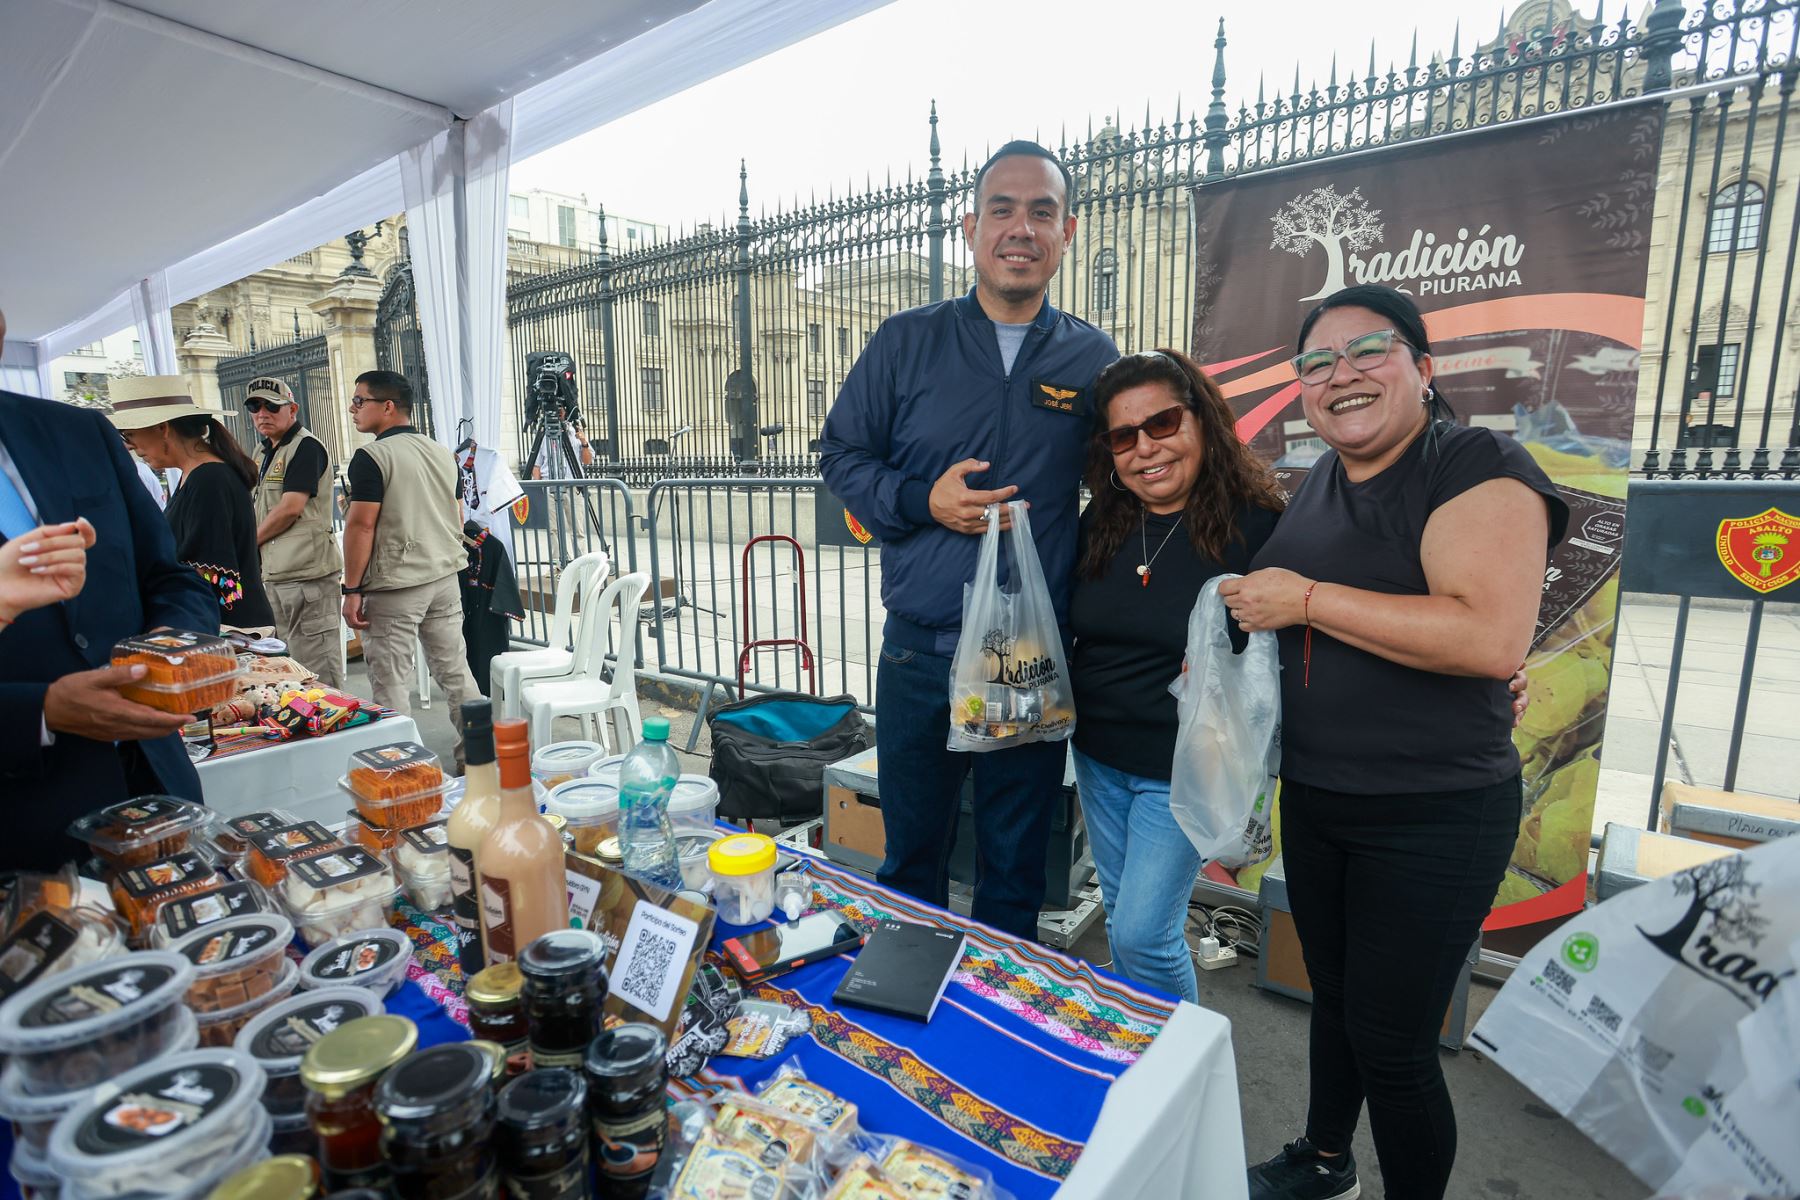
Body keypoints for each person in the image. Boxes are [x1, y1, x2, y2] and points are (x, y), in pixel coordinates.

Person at [1223, 285, 1568, 1200]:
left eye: (1367, 351)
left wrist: (1306, 600)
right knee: (1334, 999)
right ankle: (1324, 1159)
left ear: (1424, 368)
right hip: (1320, 797)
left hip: (1432, 812)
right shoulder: (1319, 484)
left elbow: (1486, 637)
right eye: (1316, 363)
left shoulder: (1475, 463)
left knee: (1395, 1042)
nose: (1341, 374)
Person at [818, 141, 1118, 939]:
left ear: (1067, 232)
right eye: (1002, 209)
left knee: (1015, 869)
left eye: (1042, 212)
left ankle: (996, 1002)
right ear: (970, 228)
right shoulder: (905, 340)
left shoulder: (1092, 358)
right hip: (921, 651)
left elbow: (1128, 487)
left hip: (1029, 657)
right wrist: (923, 499)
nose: (1022, 228)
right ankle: (908, 1001)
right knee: (912, 859)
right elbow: (841, 454)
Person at [1069, 349, 1285, 1001]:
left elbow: (1303, 639)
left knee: (1142, 934)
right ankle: (1137, 1037)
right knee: (1122, 913)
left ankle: (1188, 1054)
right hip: (1098, 757)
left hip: (1184, 771)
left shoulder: (1260, 526)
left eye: (1161, 423)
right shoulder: (1104, 520)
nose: (1145, 448)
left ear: (1202, 422)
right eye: (1123, 436)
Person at [0, 309, 220, 869]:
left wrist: (171, 653)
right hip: (21, 826)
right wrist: (40, 711)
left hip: (157, 783)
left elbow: (170, 577)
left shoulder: (76, 432)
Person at [341, 369, 478, 758]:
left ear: (387, 406)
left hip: (397, 585)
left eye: (359, 400)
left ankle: (404, 770)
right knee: (455, 670)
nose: (352, 409)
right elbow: (457, 512)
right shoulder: (441, 451)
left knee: (390, 682)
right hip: (443, 575)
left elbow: (361, 525)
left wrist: (352, 589)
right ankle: (479, 757)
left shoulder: (372, 457)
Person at [109, 379, 274, 630]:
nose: (130, 446)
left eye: (129, 434)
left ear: (162, 428)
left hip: (229, 630)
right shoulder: (197, 475)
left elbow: (212, 573)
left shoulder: (209, 479)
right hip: (213, 624)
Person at [246, 375, 345, 687]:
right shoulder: (262, 451)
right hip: (276, 574)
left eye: (271, 406)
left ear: (292, 409)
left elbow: (290, 507)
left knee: (318, 670)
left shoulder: (306, 447)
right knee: (288, 673)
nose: (262, 413)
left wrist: (248, 543)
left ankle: (334, 720)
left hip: (306, 575)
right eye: (255, 407)